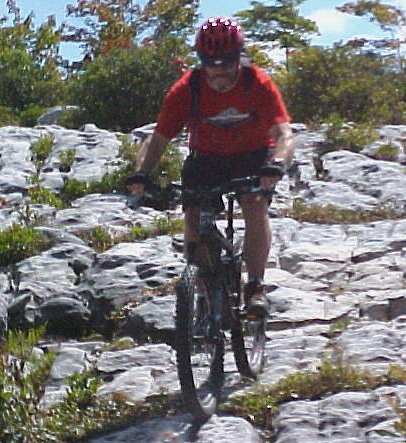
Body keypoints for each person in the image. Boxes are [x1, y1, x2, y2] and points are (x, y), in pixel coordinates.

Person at [126, 16, 295, 315]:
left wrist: (277, 164)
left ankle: (255, 285)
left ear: (239, 57)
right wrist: (141, 173)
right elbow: (158, 139)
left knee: (255, 205)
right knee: (193, 216)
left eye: (227, 62)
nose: (219, 70)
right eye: (210, 62)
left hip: (253, 155)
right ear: (201, 59)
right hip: (206, 159)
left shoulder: (257, 83)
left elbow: (284, 134)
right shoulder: (186, 89)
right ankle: (204, 291)